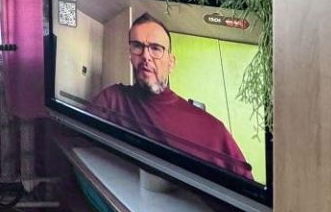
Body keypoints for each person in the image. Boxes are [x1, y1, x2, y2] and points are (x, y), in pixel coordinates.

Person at [88, 13, 253, 179]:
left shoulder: (214, 130)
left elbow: (246, 190)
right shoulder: (112, 99)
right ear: (131, 56)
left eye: (156, 48)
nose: (146, 56)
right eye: (137, 46)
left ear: (171, 62)